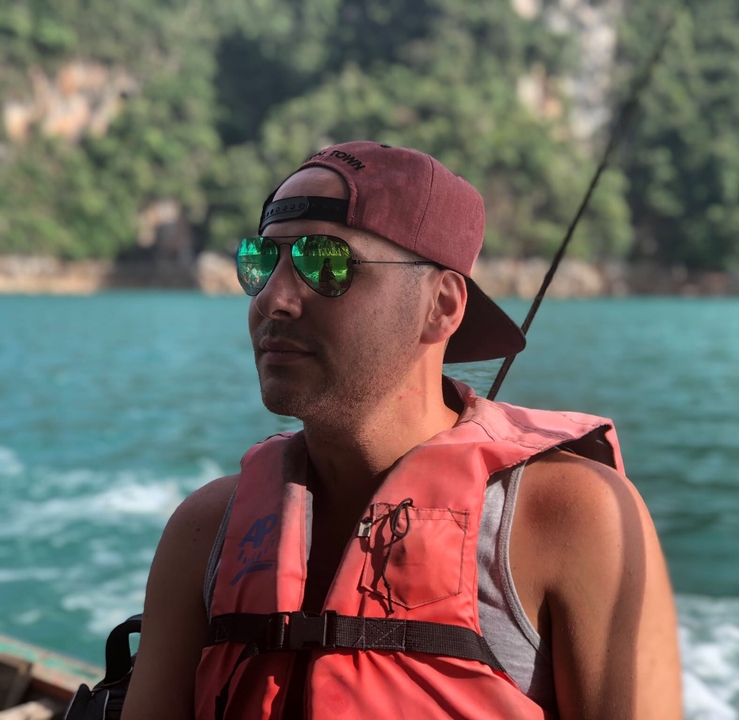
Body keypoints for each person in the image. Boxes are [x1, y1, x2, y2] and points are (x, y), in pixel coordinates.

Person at [121, 141, 682, 719]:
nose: (275, 299)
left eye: (328, 263)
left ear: (441, 305)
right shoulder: (206, 530)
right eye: (261, 263)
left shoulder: (574, 520)